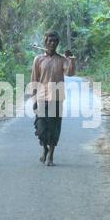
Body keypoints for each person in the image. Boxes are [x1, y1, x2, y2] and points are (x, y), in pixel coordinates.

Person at [30, 31, 75, 166]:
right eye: (49, 41)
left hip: (57, 97)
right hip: (42, 98)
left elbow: (70, 73)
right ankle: (44, 148)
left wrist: (71, 59)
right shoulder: (38, 60)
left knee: (54, 127)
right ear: (45, 43)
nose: (52, 43)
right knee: (41, 128)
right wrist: (34, 99)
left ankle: (51, 155)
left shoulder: (61, 60)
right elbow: (34, 79)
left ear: (57, 44)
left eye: (55, 41)